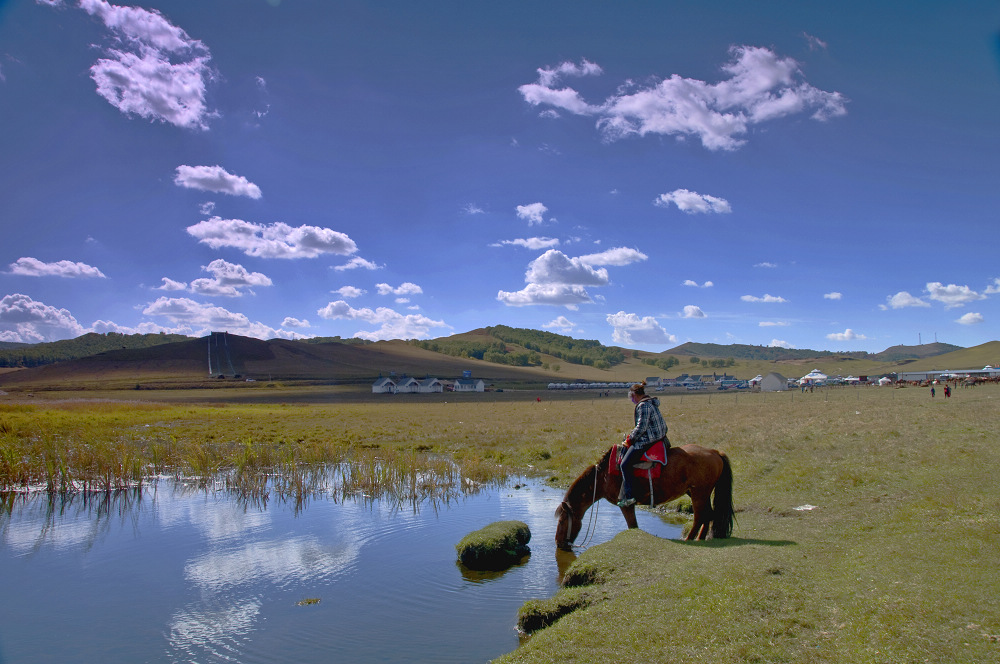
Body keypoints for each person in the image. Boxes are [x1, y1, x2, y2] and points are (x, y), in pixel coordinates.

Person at [617, 381, 668, 508]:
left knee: (625, 464)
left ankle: (630, 496)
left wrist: (629, 440)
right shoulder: (651, 403)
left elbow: (641, 428)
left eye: (631, 397)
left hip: (649, 438)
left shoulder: (643, 406)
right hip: (658, 436)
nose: (631, 399)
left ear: (634, 395)